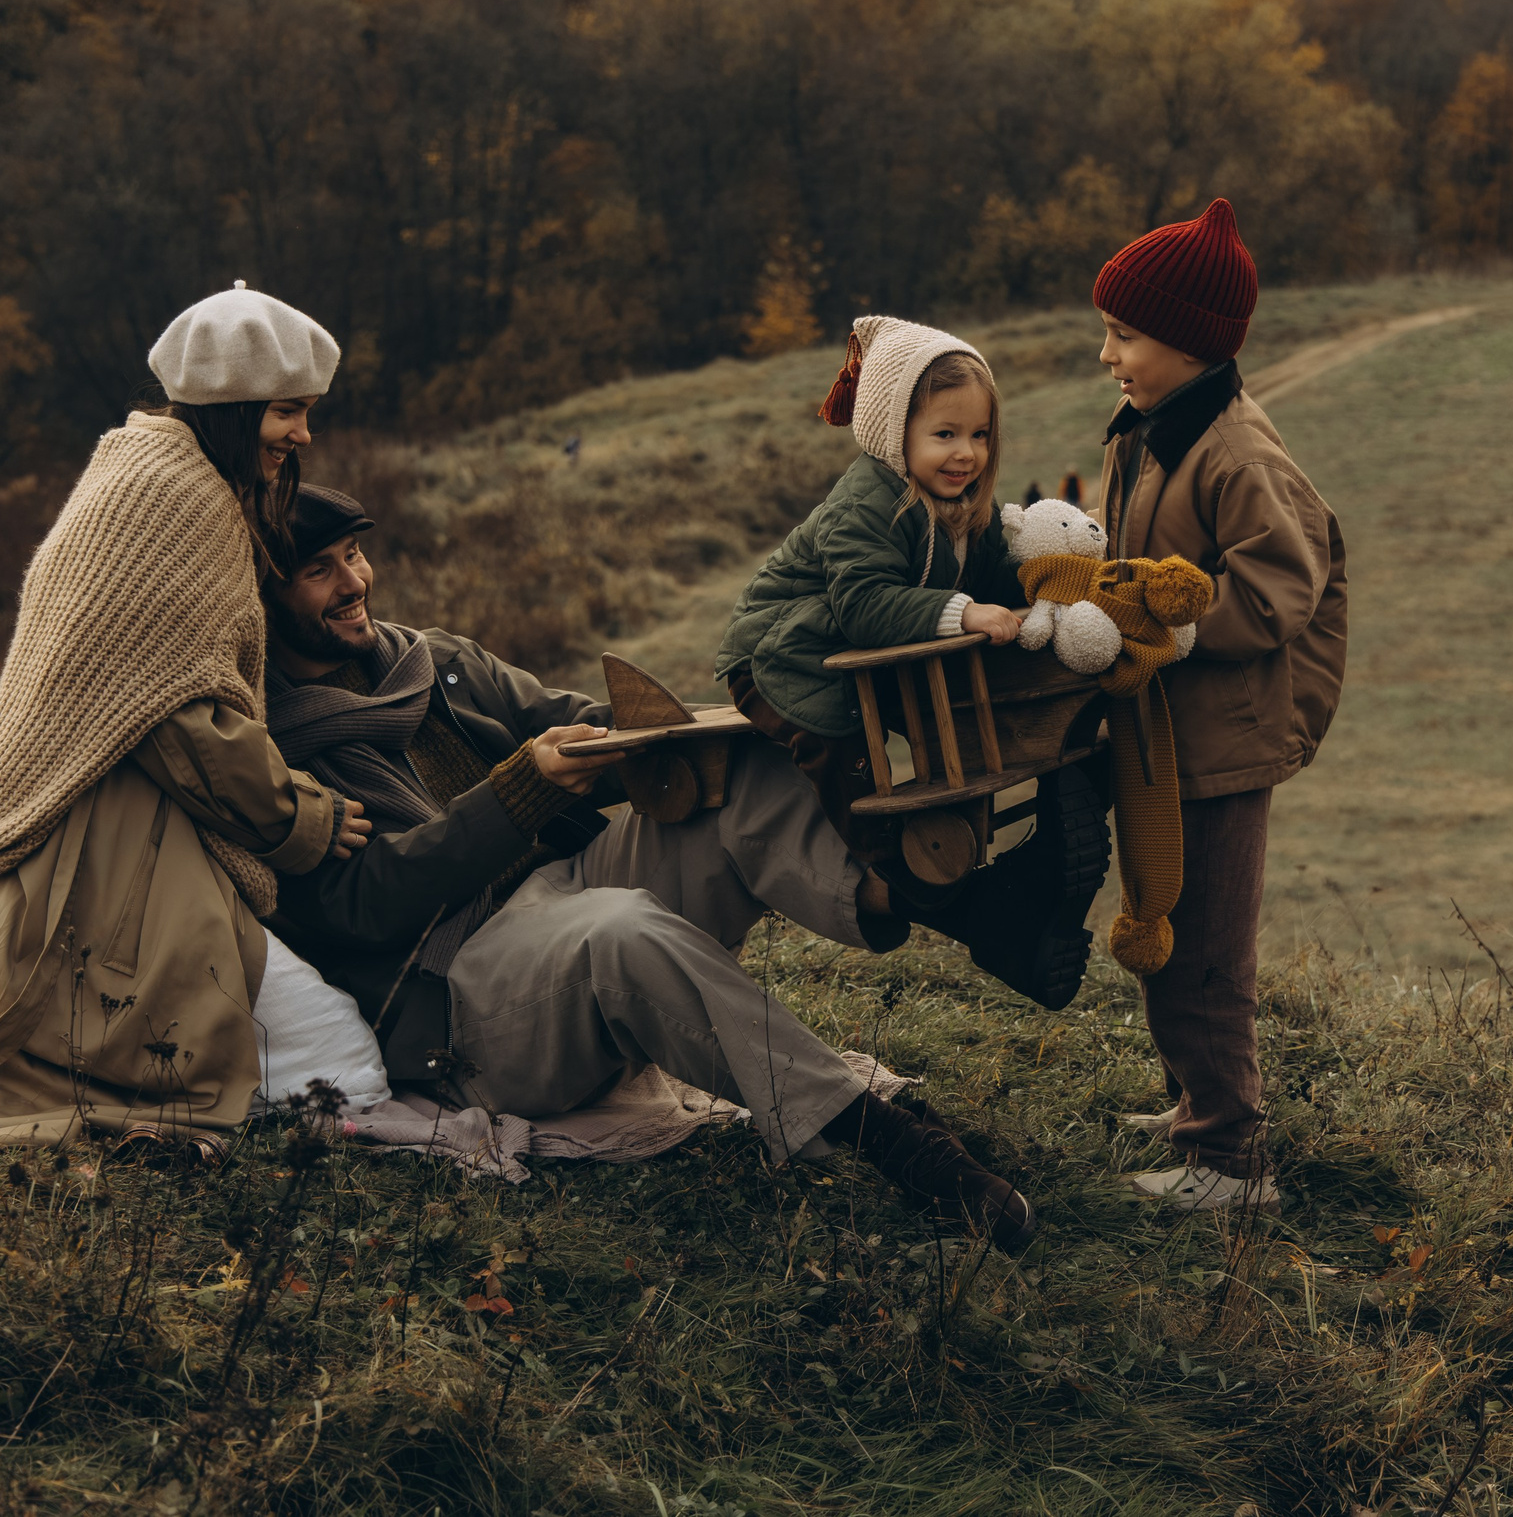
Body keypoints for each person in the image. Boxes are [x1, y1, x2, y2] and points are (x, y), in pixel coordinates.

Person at [259, 486, 1039, 1250]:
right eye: (320, 571)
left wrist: (675, 733)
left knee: (743, 779)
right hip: (465, 990)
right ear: (268, 589)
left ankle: (953, 906)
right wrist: (519, 792)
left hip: (559, 884)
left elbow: (566, 723)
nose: (354, 582)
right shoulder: (270, 752)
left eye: (355, 555)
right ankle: (890, 1141)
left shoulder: (430, 660)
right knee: (621, 928)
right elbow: (360, 906)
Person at [0, 284, 375, 1155]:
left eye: (307, 411)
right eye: (287, 411)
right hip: (103, 845)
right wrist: (303, 818)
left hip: (104, 812)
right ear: (234, 404)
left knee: (302, 1046)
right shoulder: (180, 502)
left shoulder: (145, 465)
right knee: (345, 1064)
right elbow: (187, 722)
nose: (302, 435)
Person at [713, 316, 1108, 1010]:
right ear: (893, 436)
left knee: (954, 697)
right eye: (945, 435)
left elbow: (995, 584)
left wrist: (1055, 588)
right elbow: (865, 603)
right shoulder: (865, 503)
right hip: (785, 656)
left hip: (864, 652)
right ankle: (894, 863)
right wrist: (962, 612)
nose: (966, 454)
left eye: (979, 435)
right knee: (839, 745)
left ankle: (1000, 834)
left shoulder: (962, 507)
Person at [1088, 201, 1346, 1211]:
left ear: (1191, 342)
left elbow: (1285, 585)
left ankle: (1229, 1158)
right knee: (1159, 918)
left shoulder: (1236, 454)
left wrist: (1176, 633)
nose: (1107, 353)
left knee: (1206, 951)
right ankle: (1191, 1097)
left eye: (1125, 334)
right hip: (1162, 734)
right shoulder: (1154, 433)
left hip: (1223, 739)